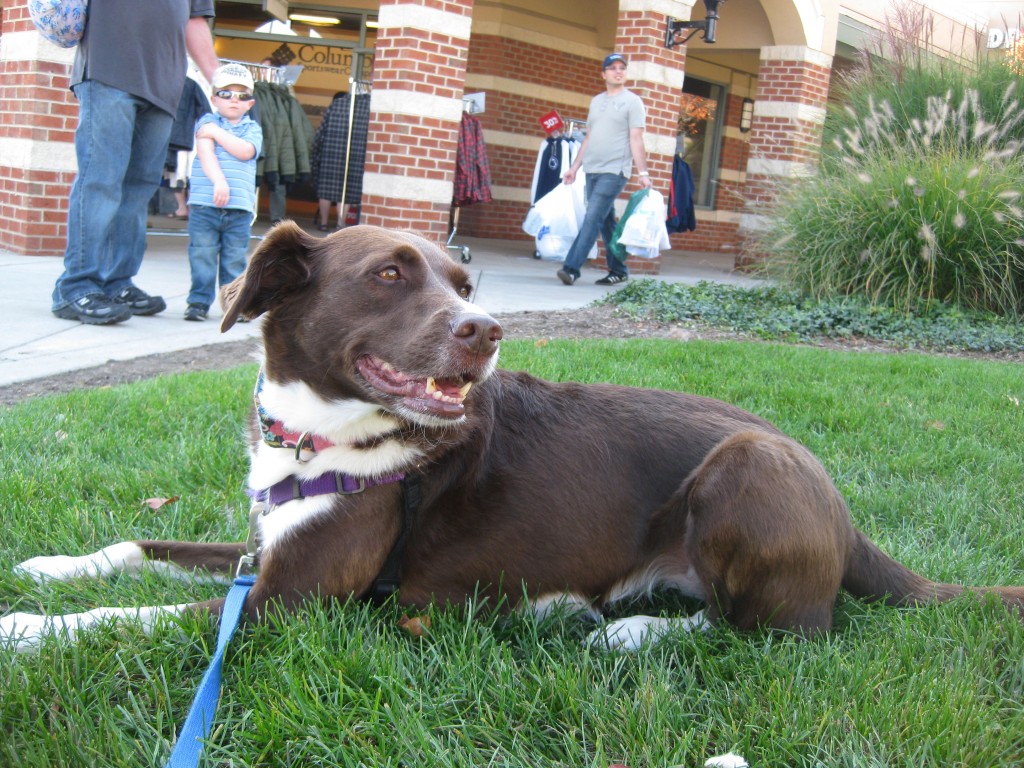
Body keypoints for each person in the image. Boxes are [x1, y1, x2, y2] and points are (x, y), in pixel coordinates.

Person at [51, 1, 220, 325]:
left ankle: (118, 282)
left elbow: (194, 20)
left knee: (138, 190)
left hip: (164, 85)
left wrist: (216, 77)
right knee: (100, 181)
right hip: (107, 70)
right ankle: (76, 286)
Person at [556, 53, 652, 286]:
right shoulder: (596, 101)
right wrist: (575, 167)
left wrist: (643, 173)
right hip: (592, 169)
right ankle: (618, 269)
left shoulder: (633, 102)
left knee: (591, 217)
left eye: (622, 68)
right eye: (612, 68)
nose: (618, 71)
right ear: (604, 74)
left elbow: (636, 138)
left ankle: (571, 268)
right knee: (606, 221)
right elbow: (589, 137)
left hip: (615, 171)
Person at [183, 64, 264, 322]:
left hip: (239, 208)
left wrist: (218, 134)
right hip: (205, 205)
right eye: (226, 93)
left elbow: (245, 151)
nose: (233, 100)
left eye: (241, 95)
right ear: (214, 98)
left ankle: (233, 306)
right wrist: (219, 182)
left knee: (234, 260)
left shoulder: (252, 129)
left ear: (250, 103)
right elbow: (206, 154)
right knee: (202, 254)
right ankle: (198, 302)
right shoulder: (205, 122)